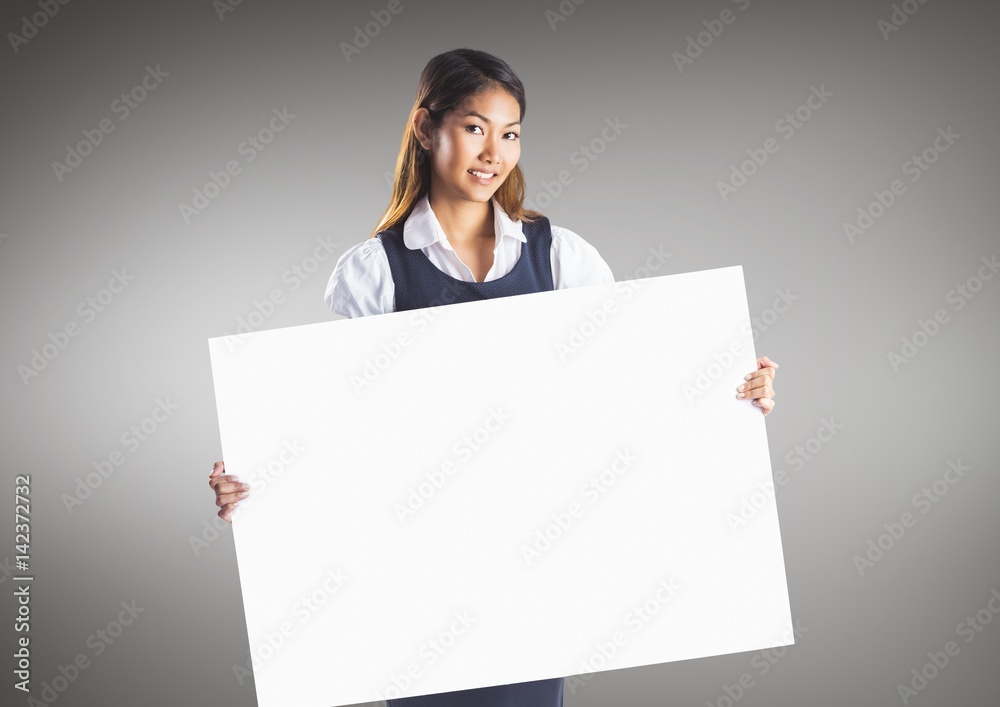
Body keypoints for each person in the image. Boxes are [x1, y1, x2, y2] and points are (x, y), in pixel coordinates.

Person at [208, 47, 779, 707]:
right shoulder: (373, 272)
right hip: (417, 588)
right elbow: (348, 436)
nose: (493, 152)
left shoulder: (563, 257)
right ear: (427, 128)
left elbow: (627, 398)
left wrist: (734, 397)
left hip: (533, 579)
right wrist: (258, 486)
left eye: (509, 134)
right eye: (475, 127)